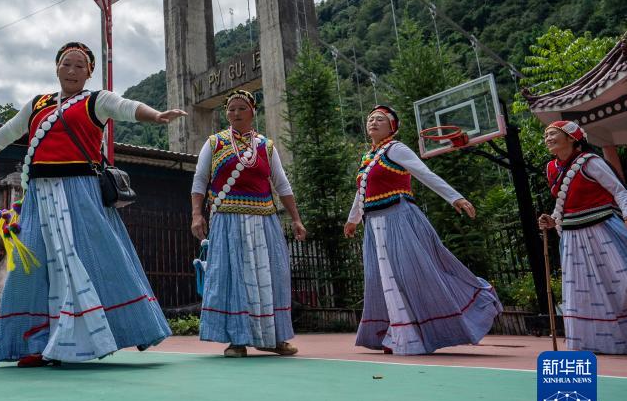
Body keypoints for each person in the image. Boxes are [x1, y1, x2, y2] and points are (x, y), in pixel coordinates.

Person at [0, 42, 186, 366]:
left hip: (81, 193)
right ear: (56, 68)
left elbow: (126, 107)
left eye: (80, 66)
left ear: (89, 72)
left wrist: (156, 115)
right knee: (31, 266)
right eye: (66, 63)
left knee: (90, 261)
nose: (72, 70)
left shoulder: (96, 101)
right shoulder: (37, 104)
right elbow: (5, 134)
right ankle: (35, 343)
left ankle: (100, 335)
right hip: (38, 196)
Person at [344, 105, 501, 355]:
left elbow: (424, 173)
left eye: (380, 119)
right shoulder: (367, 158)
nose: (373, 122)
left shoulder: (396, 149)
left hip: (398, 218)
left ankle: (428, 327)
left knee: (410, 274)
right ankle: (399, 333)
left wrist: (455, 197)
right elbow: (362, 190)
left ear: (392, 128)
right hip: (373, 223)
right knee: (382, 278)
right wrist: (353, 219)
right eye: (370, 119)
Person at [189, 89, 306, 358]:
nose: (236, 113)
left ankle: (273, 337)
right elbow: (200, 180)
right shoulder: (214, 143)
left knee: (271, 276)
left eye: (242, 108)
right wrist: (197, 214)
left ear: (253, 112)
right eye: (231, 109)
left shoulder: (266, 146)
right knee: (235, 278)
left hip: (265, 219)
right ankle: (237, 340)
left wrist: (296, 219)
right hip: (227, 220)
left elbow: (282, 184)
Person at [538, 120, 627, 354]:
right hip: (572, 237)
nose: (548, 139)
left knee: (621, 283)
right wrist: (552, 220)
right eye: (546, 135)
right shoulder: (551, 168)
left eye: (553, 134)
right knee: (583, 292)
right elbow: (564, 204)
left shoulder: (591, 162)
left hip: (602, 230)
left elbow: (619, 191)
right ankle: (598, 342)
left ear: (571, 138)